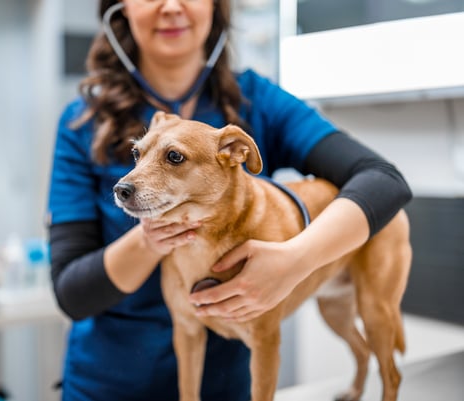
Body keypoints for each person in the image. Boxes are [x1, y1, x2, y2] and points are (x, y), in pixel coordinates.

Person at [46, 1, 412, 400]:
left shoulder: (258, 99)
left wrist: (298, 259)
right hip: (107, 384)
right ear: (120, 8)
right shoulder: (80, 122)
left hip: (228, 387)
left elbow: (385, 181)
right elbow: (70, 294)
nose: (171, 7)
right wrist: (149, 240)